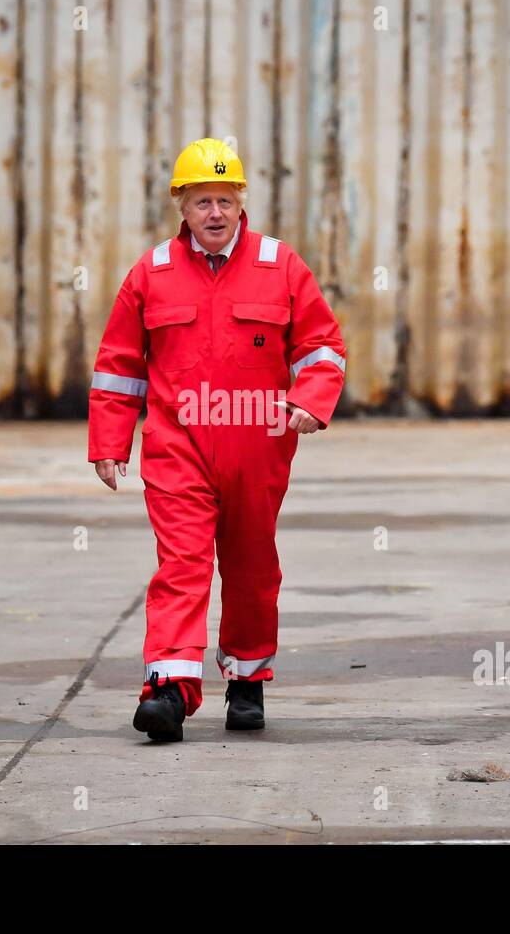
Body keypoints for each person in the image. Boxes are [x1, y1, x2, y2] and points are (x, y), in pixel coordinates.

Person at [88, 138, 347, 741]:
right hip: (176, 448)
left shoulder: (279, 264)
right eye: (202, 201)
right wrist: (108, 441)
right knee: (181, 564)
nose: (214, 214)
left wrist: (310, 401)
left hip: (258, 447)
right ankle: (169, 689)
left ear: (240, 204)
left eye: (224, 201)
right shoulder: (149, 275)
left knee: (252, 565)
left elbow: (321, 346)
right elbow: (119, 364)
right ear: (181, 205)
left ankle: (247, 679)